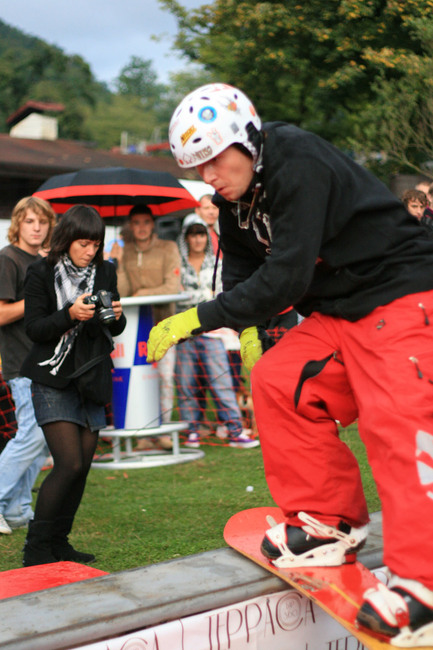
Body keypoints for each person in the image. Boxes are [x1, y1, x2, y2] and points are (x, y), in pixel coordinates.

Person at [147, 83, 433, 645]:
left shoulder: (295, 160)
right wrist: (248, 330)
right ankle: (327, 523)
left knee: (397, 427)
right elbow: (243, 272)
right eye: (196, 166)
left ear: (247, 140)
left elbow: (287, 275)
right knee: (279, 381)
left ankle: (423, 587)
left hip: (402, 295)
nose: (207, 175)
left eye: (213, 159)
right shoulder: (233, 200)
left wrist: (196, 318)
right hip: (339, 312)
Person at [20, 205, 126, 566]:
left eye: (95, 244)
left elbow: (113, 327)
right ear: (67, 240)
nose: (90, 251)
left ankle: (59, 542)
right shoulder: (41, 272)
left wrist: (116, 317)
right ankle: (36, 548)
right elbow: (34, 329)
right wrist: (69, 315)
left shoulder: (106, 271)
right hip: (52, 376)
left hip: (90, 375)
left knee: (81, 467)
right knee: (67, 463)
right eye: (84, 244)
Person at [176, 214, 258, 449]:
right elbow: (176, 297)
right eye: (193, 234)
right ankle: (192, 430)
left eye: (201, 234)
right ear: (186, 238)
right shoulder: (177, 266)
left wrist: (200, 305)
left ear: (206, 237)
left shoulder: (218, 264)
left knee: (221, 382)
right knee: (186, 383)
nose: (198, 239)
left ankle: (235, 430)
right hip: (184, 334)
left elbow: (222, 295)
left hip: (213, 332)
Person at [0, 196, 56, 535]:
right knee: (31, 435)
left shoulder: (43, 262)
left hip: (44, 362)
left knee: (41, 439)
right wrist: (34, 301)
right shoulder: (8, 259)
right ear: (18, 224)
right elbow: (1, 313)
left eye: (43, 222)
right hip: (20, 363)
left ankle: (17, 509)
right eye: (30, 221)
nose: (36, 228)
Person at [111, 204, 181, 450]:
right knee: (137, 377)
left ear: (153, 224)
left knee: (164, 377)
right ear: (130, 226)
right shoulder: (124, 251)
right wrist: (119, 264)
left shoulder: (168, 248)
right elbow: (122, 292)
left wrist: (144, 293)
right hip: (132, 330)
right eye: (136, 223)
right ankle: (141, 434)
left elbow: (173, 286)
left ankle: (162, 430)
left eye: (146, 222)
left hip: (164, 324)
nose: (141, 227)